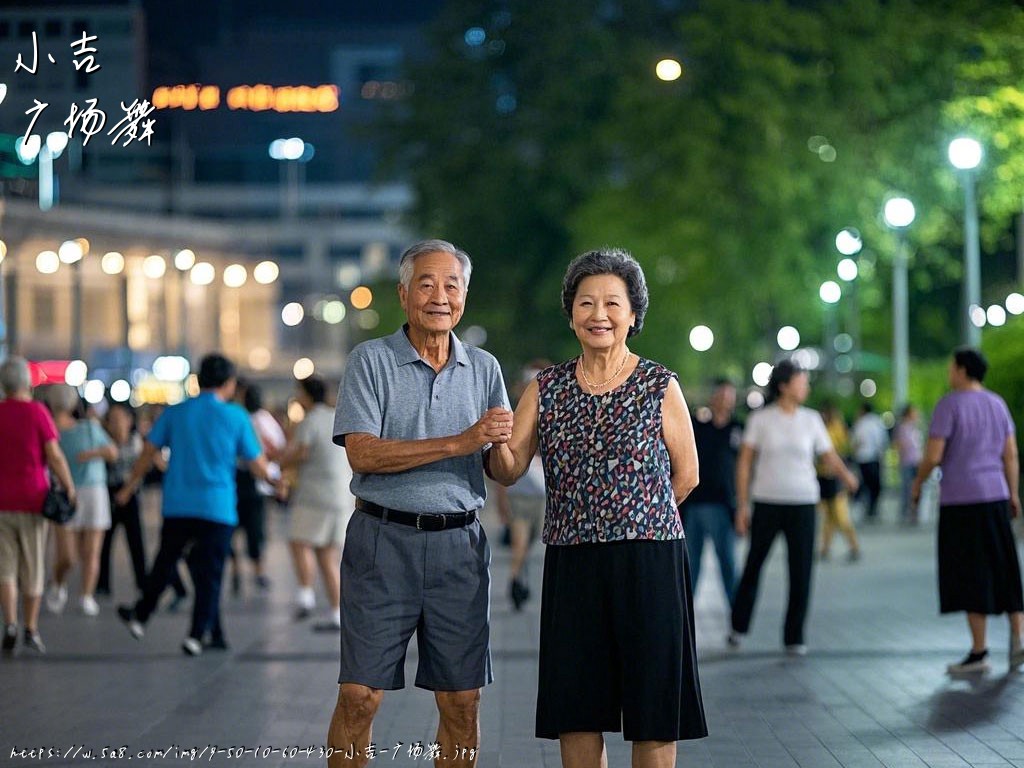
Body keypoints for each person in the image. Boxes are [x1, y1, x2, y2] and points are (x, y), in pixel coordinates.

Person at [489, 248, 707, 768]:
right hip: (574, 563)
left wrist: (635, 514)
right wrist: (493, 440)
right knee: (578, 707)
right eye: (586, 303)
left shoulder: (660, 384)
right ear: (571, 315)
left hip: (648, 561)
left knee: (653, 708)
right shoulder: (546, 388)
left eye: (613, 302)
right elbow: (509, 467)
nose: (599, 314)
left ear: (633, 314)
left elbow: (688, 473)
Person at [328, 239, 512, 768]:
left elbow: (497, 467)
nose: (440, 296)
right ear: (403, 294)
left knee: (461, 700)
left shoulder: (484, 368)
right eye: (426, 284)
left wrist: (511, 444)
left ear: (465, 296)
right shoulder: (372, 361)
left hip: (460, 546)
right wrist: (460, 441)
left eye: (451, 285)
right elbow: (362, 454)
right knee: (359, 695)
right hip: (381, 543)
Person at [115, 353, 272, 656]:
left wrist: (129, 487)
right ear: (228, 383)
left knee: (165, 561)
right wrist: (277, 482)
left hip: (178, 504)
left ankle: (142, 613)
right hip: (218, 507)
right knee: (211, 573)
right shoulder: (236, 416)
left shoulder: (175, 413)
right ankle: (196, 635)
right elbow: (257, 464)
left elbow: (148, 453)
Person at [730, 360, 858, 655]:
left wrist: (848, 476)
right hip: (767, 502)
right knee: (754, 565)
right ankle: (738, 626)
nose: (806, 386)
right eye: (802, 381)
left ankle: (794, 635)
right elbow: (745, 463)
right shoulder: (761, 420)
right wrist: (742, 505)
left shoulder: (812, 419)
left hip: (803, 502)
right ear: (784, 386)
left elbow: (828, 456)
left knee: (801, 570)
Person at [910, 348, 1024, 674]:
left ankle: (979, 651)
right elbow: (1011, 455)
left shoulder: (949, 405)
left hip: (961, 501)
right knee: (1004, 566)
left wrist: (917, 484)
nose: (949, 372)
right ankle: (1018, 637)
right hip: (996, 496)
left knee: (970, 572)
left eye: (951, 367)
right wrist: (1012, 493)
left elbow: (933, 456)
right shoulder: (997, 404)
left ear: (962, 370)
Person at [0, 356, 76, 654]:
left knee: (4, 566)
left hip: (1, 502)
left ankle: (9, 623)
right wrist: (69, 485)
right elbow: (54, 455)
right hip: (33, 500)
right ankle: (30, 628)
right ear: (27, 383)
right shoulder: (37, 413)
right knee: (32, 565)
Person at [274, 375, 353, 631]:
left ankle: (305, 596)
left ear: (307, 395)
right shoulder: (336, 417)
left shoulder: (310, 420)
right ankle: (336, 613)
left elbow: (301, 452)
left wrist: (279, 463)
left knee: (299, 541)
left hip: (315, 497)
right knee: (329, 556)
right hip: (342, 496)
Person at [45, 385, 117, 617]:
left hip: (93, 490)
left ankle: (86, 595)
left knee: (91, 550)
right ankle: (57, 582)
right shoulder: (49, 429)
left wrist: (90, 455)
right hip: (64, 493)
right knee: (67, 555)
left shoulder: (89, 428)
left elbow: (112, 451)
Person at [492, 360, 549, 611]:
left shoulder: (552, 419)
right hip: (520, 495)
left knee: (529, 541)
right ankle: (516, 582)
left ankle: (520, 578)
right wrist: (502, 500)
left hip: (541, 497)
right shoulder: (515, 419)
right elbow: (503, 464)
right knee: (520, 542)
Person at [682, 377, 742, 607]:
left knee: (728, 563)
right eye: (721, 394)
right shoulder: (697, 426)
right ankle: (685, 616)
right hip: (694, 503)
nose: (725, 400)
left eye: (729, 395)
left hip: (724, 505)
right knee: (690, 564)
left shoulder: (737, 428)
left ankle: (736, 619)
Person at [229, 381, 285, 595]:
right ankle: (256, 571)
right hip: (255, 481)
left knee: (241, 528)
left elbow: (274, 447)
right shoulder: (262, 419)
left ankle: (242, 571)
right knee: (255, 529)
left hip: (247, 478)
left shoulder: (245, 417)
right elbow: (277, 446)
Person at [97, 403, 148, 599]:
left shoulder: (136, 442)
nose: (117, 423)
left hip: (130, 493)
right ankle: (102, 583)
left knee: (136, 540)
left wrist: (127, 491)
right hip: (109, 493)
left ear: (129, 420)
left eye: (120, 418)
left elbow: (140, 470)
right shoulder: (103, 442)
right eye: (112, 419)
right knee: (105, 541)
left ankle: (142, 582)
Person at [817, 403, 860, 561]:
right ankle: (825, 548)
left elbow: (840, 450)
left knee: (841, 515)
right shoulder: (819, 428)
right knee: (828, 516)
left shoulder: (837, 428)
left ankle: (854, 546)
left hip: (836, 476)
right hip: (822, 476)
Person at [851, 402, 888, 522]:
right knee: (875, 485)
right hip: (875, 458)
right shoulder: (877, 422)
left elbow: (855, 442)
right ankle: (873, 509)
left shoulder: (860, 423)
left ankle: (863, 508)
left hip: (862, 458)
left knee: (864, 484)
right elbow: (882, 441)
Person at [893, 404, 923, 524]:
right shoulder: (902, 428)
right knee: (906, 488)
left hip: (917, 461)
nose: (916, 415)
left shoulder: (915, 428)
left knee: (917, 487)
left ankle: (914, 512)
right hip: (907, 461)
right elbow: (899, 445)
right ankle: (905, 512)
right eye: (914, 412)